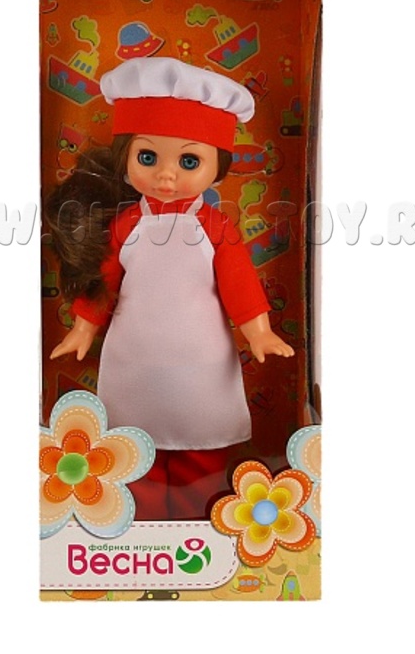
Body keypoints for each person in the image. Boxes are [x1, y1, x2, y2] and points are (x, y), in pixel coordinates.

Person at [45, 56, 294, 519]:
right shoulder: (125, 227)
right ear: (126, 159)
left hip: (200, 364)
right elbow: (103, 283)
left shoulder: (216, 228)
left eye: (188, 160)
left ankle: (197, 520)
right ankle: (142, 523)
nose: (165, 175)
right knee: (132, 450)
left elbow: (239, 285)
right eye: (148, 157)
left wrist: (259, 333)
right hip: (134, 361)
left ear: (217, 166)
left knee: (201, 449)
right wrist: (82, 328)